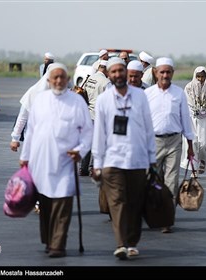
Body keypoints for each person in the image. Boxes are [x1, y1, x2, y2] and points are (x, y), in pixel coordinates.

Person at [19, 63, 93, 258]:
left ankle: (58, 244)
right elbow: (32, 132)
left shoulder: (76, 102)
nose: (59, 81)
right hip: (40, 162)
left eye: (62, 77)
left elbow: (87, 132)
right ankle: (49, 240)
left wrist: (80, 151)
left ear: (68, 80)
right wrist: (24, 157)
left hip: (65, 163)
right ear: (49, 80)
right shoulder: (40, 101)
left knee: (62, 206)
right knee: (45, 206)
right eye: (55, 77)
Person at [91, 57, 157, 260]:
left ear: (125, 73)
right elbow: (99, 133)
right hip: (112, 161)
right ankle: (121, 243)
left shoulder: (140, 96)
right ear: (109, 75)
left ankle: (132, 242)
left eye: (121, 71)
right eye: (114, 72)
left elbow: (148, 128)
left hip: (137, 160)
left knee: (135, 204)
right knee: (118, 202)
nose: (118, 74)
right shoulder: (103, 99)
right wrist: (97, 163)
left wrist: (151, 158)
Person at [145, 57, 195, 233]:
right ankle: (151, 213)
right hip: (153, 142)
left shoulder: (179, 93)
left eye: (168, 72)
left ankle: (166, 219)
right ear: (155, 73)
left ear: (172, 73)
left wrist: (190, 145)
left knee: (171, 182)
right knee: (151, 180)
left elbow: (185, 121)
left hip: (174, 141)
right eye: (162, 72)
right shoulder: (148, 94)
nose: (165, 75)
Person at [180, 66, 206, 178]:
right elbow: (184, 104)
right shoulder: (188, 88)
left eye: (202, 77)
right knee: (193, 143)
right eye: (198, 77)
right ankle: (193, 169)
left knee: (203, 145)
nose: (200, 79)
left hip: (204, 120)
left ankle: (203, 160)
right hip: (191, 119)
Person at [79, 60, 111, 176]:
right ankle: (93, 168)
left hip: (87, 114)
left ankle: (83, 168)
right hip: (99, 116)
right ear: (106, 69)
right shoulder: (106, 82)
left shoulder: (89, 78)